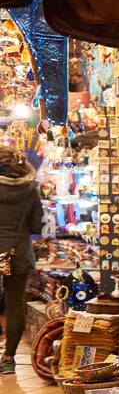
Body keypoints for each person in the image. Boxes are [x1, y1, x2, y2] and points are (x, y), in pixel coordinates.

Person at [0, 146, 43, 375]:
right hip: (19, 252)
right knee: (15, 304)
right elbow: (36, 226)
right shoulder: (30, 188)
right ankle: (9, 359)